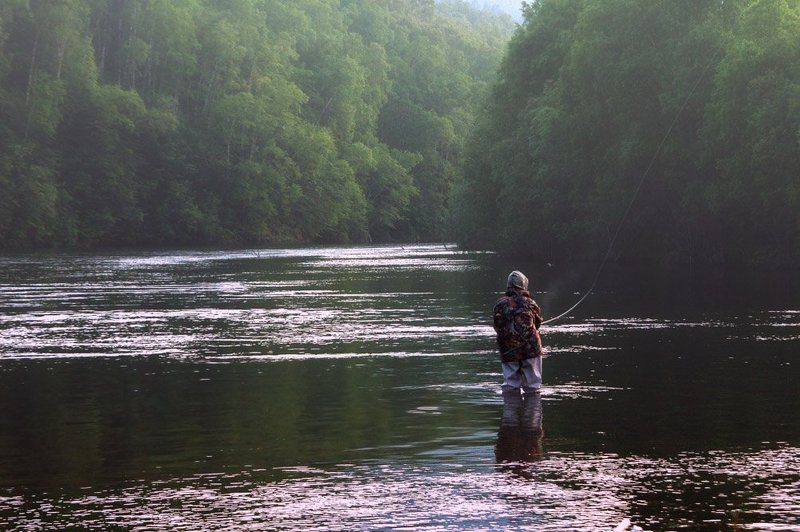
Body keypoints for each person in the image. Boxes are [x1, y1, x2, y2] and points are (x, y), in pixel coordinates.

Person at [492, 270, 543, 393]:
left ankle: (511, 404)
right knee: (533, 386)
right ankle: (533, 404)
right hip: (530, 350)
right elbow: (537, 324)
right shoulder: (530, 303)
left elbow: (497, 326)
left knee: (510, 386)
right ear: (523, 285)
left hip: (507, 350)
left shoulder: (499, 304)